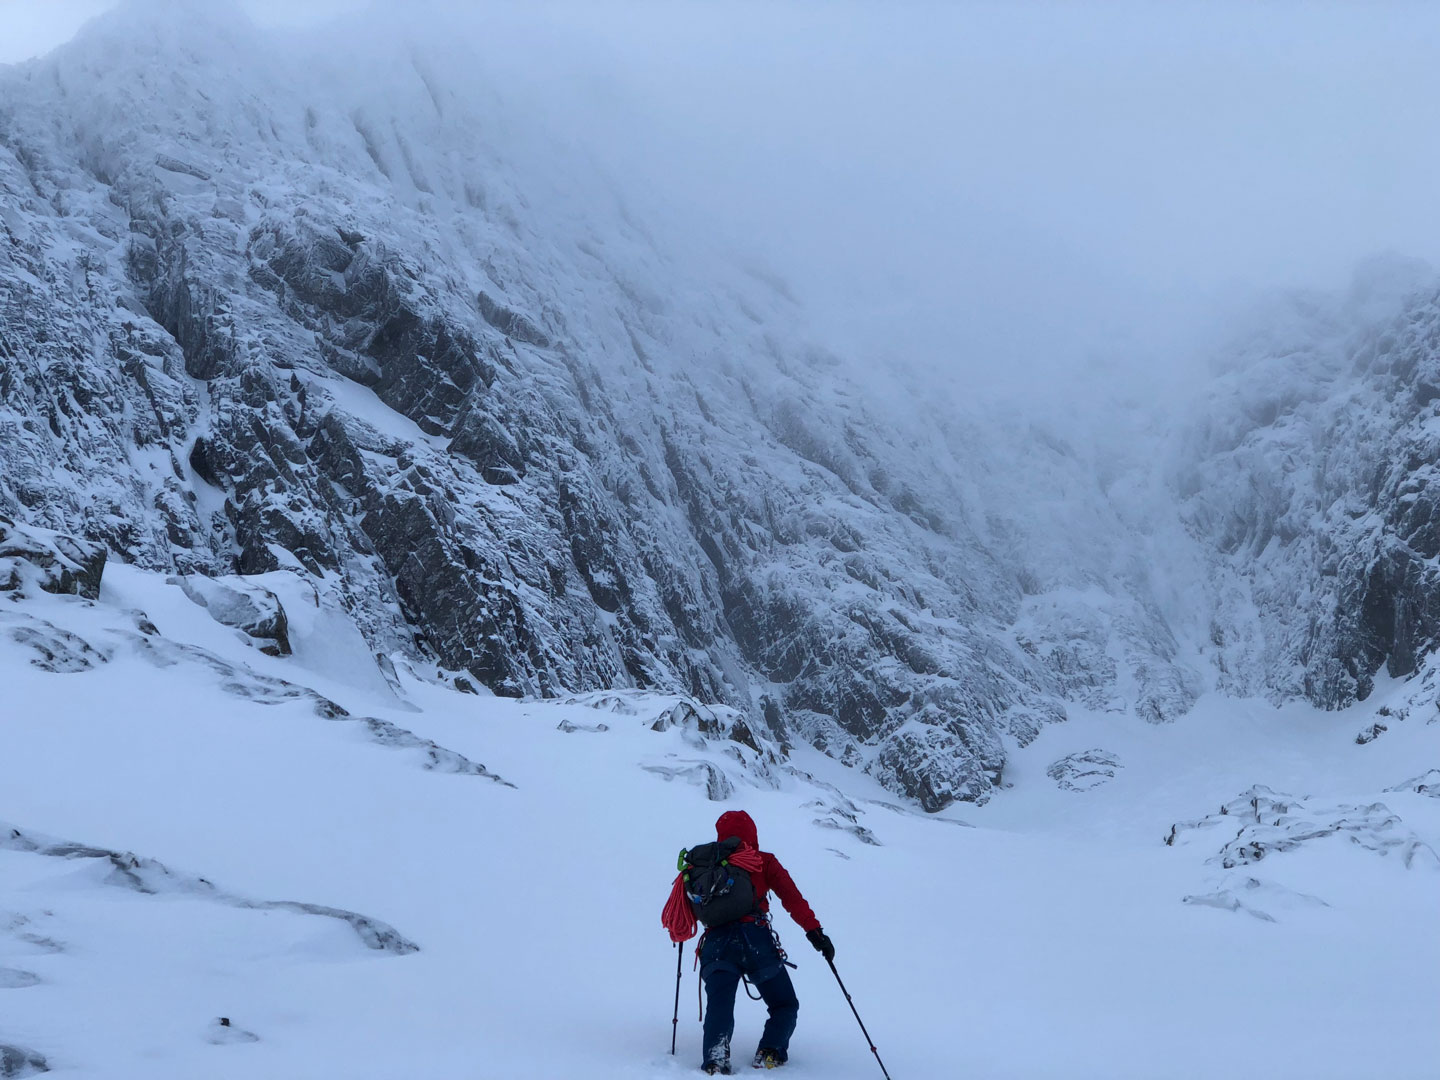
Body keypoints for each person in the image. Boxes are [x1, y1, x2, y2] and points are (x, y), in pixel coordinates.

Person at [695, 810, 835, 1074]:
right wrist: (815, 933)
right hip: (755, 940)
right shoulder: (763, 861)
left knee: (720, 1004)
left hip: (715, 944)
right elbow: (792, 899)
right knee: (784, 1004)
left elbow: (686, 908)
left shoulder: (705, 865)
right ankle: (770, 1051)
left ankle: (715, 1057)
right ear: (753, 834)